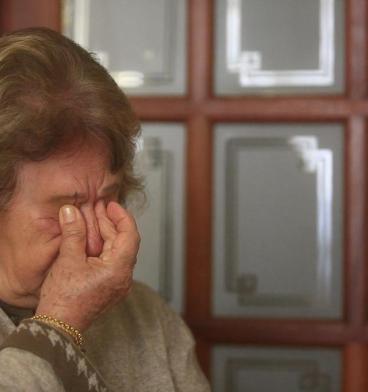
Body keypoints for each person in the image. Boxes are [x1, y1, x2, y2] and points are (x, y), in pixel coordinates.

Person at [0, 27, 210, 392]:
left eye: (109, 199)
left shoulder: (146, 315)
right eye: (66, 210)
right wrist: (58, 325)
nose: (95, 241)